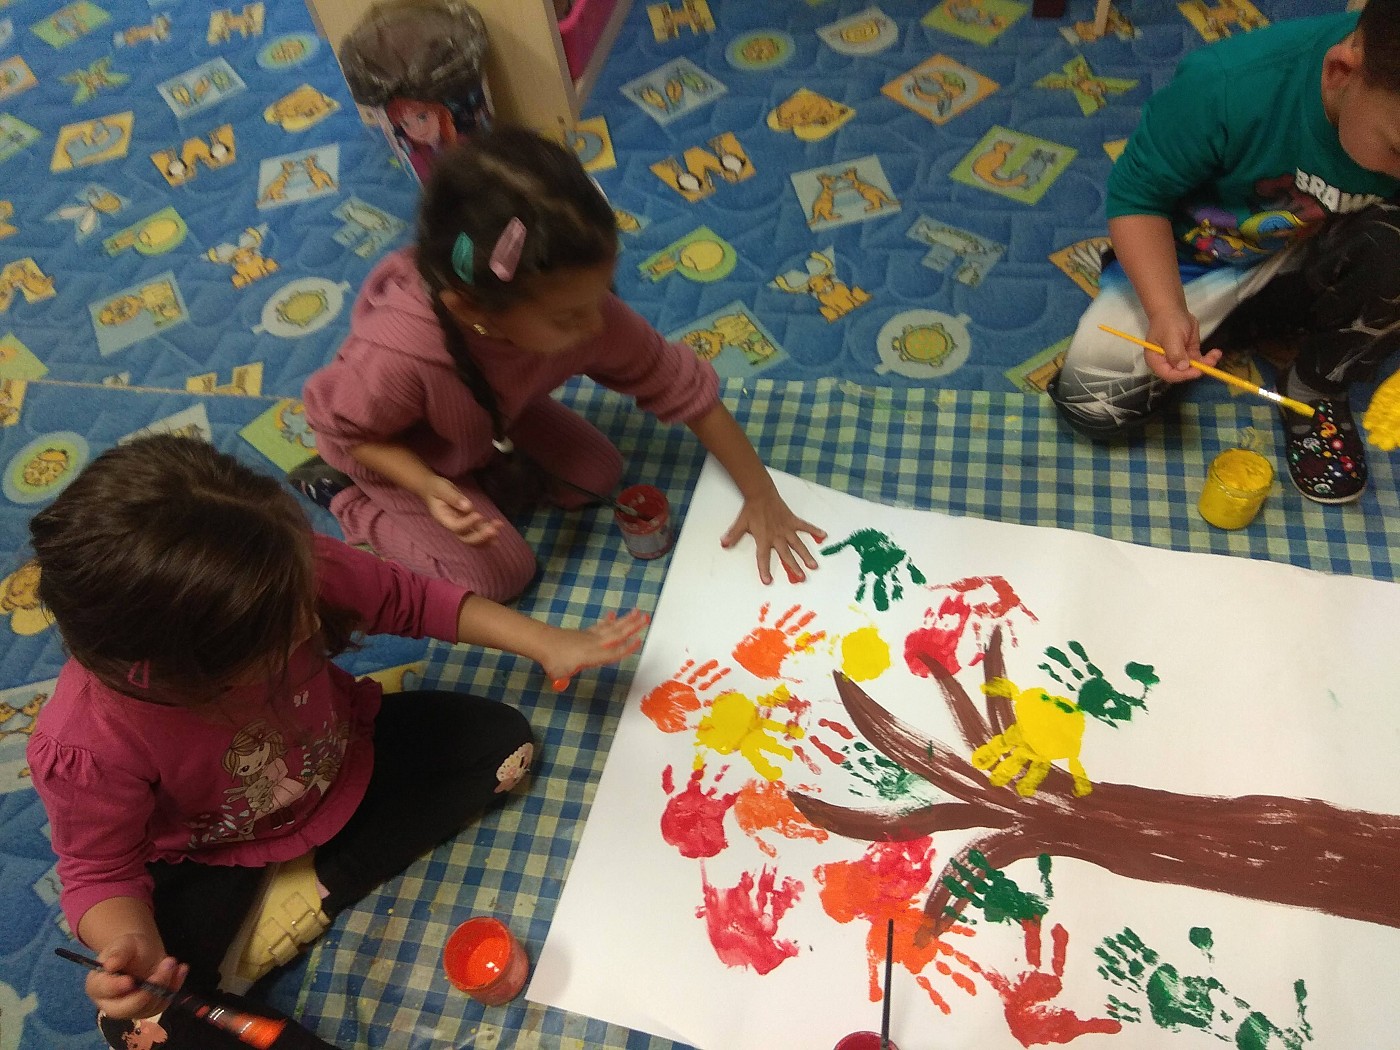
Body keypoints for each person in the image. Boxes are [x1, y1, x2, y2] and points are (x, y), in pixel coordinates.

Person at [27, 434, 647, 1050]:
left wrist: (546, 642)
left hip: (338, 764)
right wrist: (133, 945)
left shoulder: (274, 569)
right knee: (145, 1024)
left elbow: (408, 599)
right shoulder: (88, 744)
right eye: (279, 634)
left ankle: (305, 889)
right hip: (211, 852)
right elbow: (98, 870)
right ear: (187, 673)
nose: (311, 619)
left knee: (501, 746)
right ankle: (280, 898)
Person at [296, 126, 824, 601]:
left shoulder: (580, 309)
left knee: (599, 474)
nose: (595, 326)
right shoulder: (397, 359)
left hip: (489, 420)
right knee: (502, 576)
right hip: (394, 451)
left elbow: (683, 388)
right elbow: (343, 432)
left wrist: (762, 494)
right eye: (568, 317)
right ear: (474, 311)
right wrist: (424, 484)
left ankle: (485, 465)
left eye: (604, 293)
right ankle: (345, 498)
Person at [1048, 2, 1400, 504]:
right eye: (1397, 151)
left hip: (1322, 251)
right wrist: (1166, 309)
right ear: (1341, 72)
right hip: (1199, 257)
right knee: (1091, 402)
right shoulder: (1226, 85)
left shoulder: (1379, 108)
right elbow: (1137, 198)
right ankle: (1235, 320)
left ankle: (1313, 382)